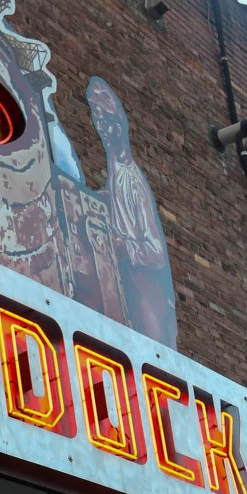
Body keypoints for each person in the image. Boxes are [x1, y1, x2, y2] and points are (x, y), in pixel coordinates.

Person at [86, 76, 178, 348]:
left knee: (155, 360)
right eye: (98, 118)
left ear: (120, 123)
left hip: (147, 294)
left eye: (108, 119)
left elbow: (157, 253)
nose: (103, 127)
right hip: (129, 289)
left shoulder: (133, 179)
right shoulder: (115, 165)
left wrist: (125, 247)